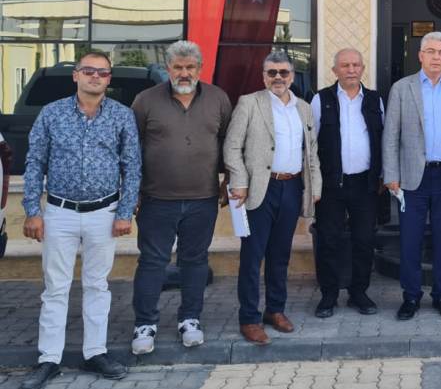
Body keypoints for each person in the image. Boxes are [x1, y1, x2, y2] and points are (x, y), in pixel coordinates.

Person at [20, 51, 140, 389]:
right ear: (76, 75)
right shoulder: (51, 113)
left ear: (109, 79)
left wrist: (124, 212)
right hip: (59, 213)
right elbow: (34, 163)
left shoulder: (121, 116)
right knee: (55, 287)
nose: (95, 77)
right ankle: (49, 358)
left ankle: (95, 352)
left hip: (104, 214)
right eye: (89, 71)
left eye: (102, 73)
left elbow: (132, 167)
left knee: (97, 285)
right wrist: (32, 211)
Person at [130, 41, 232, 355]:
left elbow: (228, 143)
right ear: (168, 68)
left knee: (195, 261)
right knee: (152, 262)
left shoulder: (218, 98)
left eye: (190, 67)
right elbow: (131, 149)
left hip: (203, 198)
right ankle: (144, 324)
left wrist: (229, 179)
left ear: (200, 68)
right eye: (178, 67)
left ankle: (190, 319)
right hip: (156, 198)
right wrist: (132, 191)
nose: (184, 73)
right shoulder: (146, 100)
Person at [224, 51, 322, 345]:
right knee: (253, 256)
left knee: (280, 255)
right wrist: (239, 183)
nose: (278, 77)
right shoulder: (249, 103)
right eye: (272, 72)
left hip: (291, 187)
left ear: (292, 76)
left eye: (283, 72)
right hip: (258, 189)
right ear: (263, 76)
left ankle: (275, 310)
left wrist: (315, 186)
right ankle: (249, 318)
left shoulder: (304, 108)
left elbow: (311, 151)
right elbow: (232, 147)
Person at [383, 32, 441, 321]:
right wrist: (391, 174)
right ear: (420, 55)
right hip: (412, 177)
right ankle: (410, 296)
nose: (436, 57)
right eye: (431, 51)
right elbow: (390, 135)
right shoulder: (402, 88)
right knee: (410, 240)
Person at [310, 48, 383, 318]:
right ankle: (328, 296)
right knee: (328, 240)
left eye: (355, 65)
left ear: (362, 68)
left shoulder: (375, 100)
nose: (351, 70)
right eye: (345, 65)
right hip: (331, 184)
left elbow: (382, 139)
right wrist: (314, 183)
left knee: (364, 240)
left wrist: (383, 175)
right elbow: (311, 144)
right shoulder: (321, 100)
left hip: (365, 184)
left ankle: (358, 293)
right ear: (335, 71)